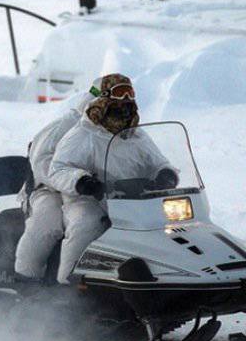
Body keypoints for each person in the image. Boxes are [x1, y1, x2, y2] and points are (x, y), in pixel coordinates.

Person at [48, 74, 178, 284]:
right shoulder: (84, 133)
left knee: (173, 224)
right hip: (88, 198)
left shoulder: (136, 134)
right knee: (86, 224)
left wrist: (166, 174)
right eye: (119, 93)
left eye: (130, 93)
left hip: (133, 198)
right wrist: (82, 182)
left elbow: (158, 161)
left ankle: (172, 273)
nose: (126, 100)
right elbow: (57, 169)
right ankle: (69, 282)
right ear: (105, 97)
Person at [13, 88, 97, 281]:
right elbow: (41, 164)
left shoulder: (116, 130)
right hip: (47, 188)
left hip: (86, 190)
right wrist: (76, 181)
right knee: (48, 218)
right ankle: (27, 275)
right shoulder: (63, 126)